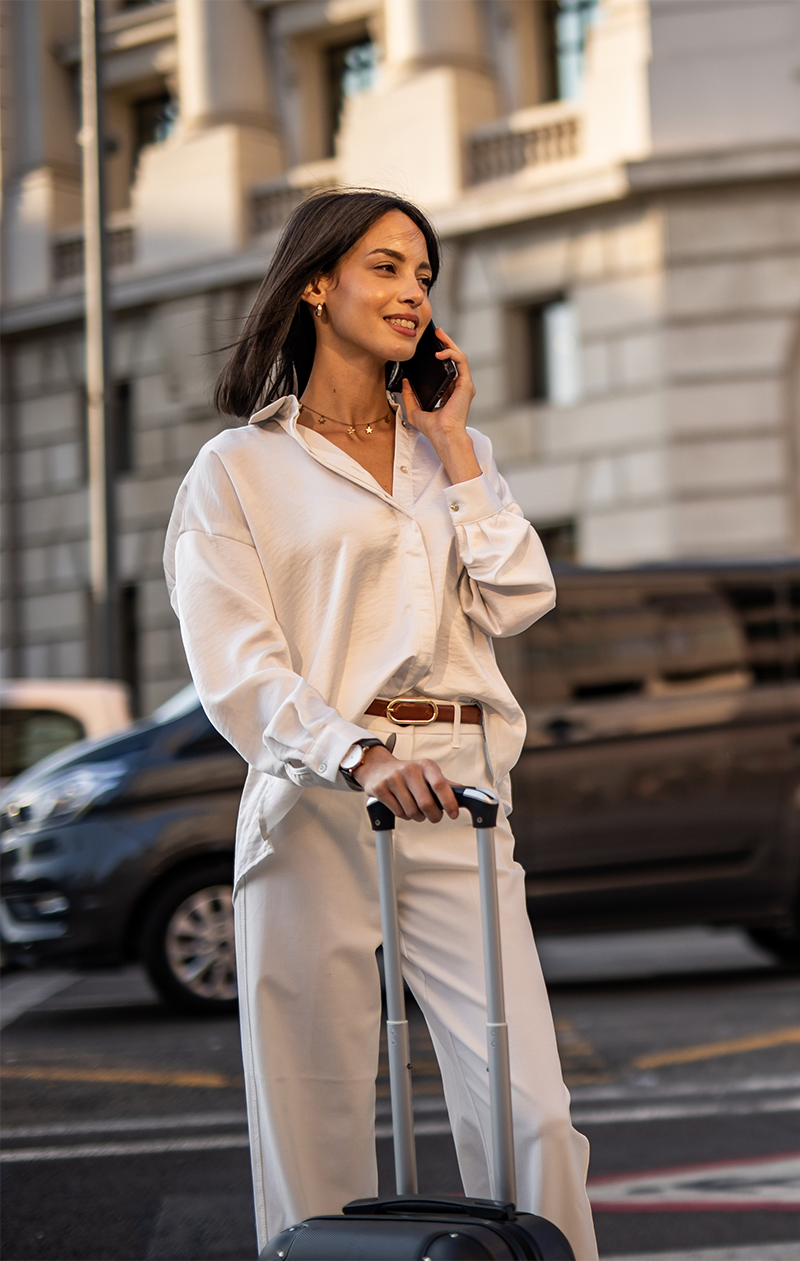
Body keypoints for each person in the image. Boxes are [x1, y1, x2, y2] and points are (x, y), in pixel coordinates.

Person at [163, 188, 597, 1260]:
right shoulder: (238, 471)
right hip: (314, 804)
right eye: (388, 267)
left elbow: (517, 597)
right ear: (317, 282)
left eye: (424, 276)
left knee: (530, 1116)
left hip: (458, 796)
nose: (413, 292)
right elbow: (234, 665)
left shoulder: (449, 447)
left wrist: (454, 446)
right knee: (310, 1130)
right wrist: (352, 750)